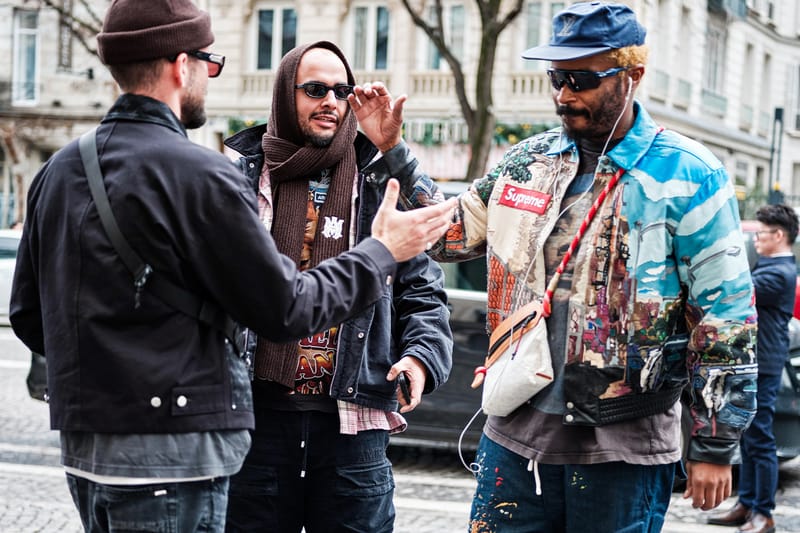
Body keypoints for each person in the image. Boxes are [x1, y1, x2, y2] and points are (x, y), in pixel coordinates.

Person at [8, 1, 456, 532]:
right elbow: (285, 306)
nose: (332, 102)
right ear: (181, 64)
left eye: (342, 91)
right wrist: (380, 250)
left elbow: (30, 317)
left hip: (95, 449)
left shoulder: (59, 169)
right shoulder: (215, 175)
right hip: (196, 443)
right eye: (208, 63)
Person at [350, 2, 758, 531]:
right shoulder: (529, 161)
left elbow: (724, 316)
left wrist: (716, 443)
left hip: (623, 447)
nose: (564, 94)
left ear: (632, 75)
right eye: (556, 77)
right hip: (514, 437)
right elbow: (450, 234)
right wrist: (393, 150)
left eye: (582, 79)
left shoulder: (690, 173)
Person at [221, 40, 453, 533]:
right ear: (287, 95)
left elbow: (426, 284)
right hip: (255, 421)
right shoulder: (240, 179)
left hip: (353, 427)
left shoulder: (375, 181)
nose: (331, 100)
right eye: (315, 89)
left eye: (341, 90)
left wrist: (420, 356)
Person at [707, 204, 798, 533]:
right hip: (754, 361)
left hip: (765, 364)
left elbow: (736, 293)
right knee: (746, 435)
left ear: (778, 235)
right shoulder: (773, 266)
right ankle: (746, 503)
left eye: (761, 232)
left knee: (760, 439)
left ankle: (764, 513)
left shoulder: (779, 272)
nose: (756, 238)